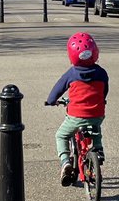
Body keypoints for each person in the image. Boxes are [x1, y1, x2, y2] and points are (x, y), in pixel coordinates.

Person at [44, 32, 108, 186]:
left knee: (61, 135)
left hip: (76, 116)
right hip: (97, 113)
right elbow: (104, 90)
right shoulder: (101, 73)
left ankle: (65, 162)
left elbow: (57, 90)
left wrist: (51, 101)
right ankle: (98, 150)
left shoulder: (71, 74)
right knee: (96, 127)